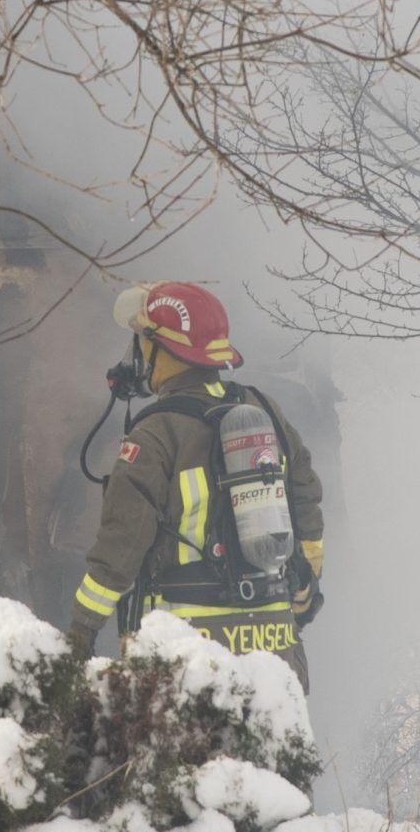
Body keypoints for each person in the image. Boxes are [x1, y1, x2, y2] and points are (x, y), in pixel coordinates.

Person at [65, 282, 326, 688]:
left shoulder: (154, 433)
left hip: (189, 653)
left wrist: (80, 631)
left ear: (161, 349)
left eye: (141, 341)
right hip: (276, 647)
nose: (135, 353)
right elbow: (305, 496)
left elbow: (120, 545)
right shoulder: (264, 410)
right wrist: (307, 579)